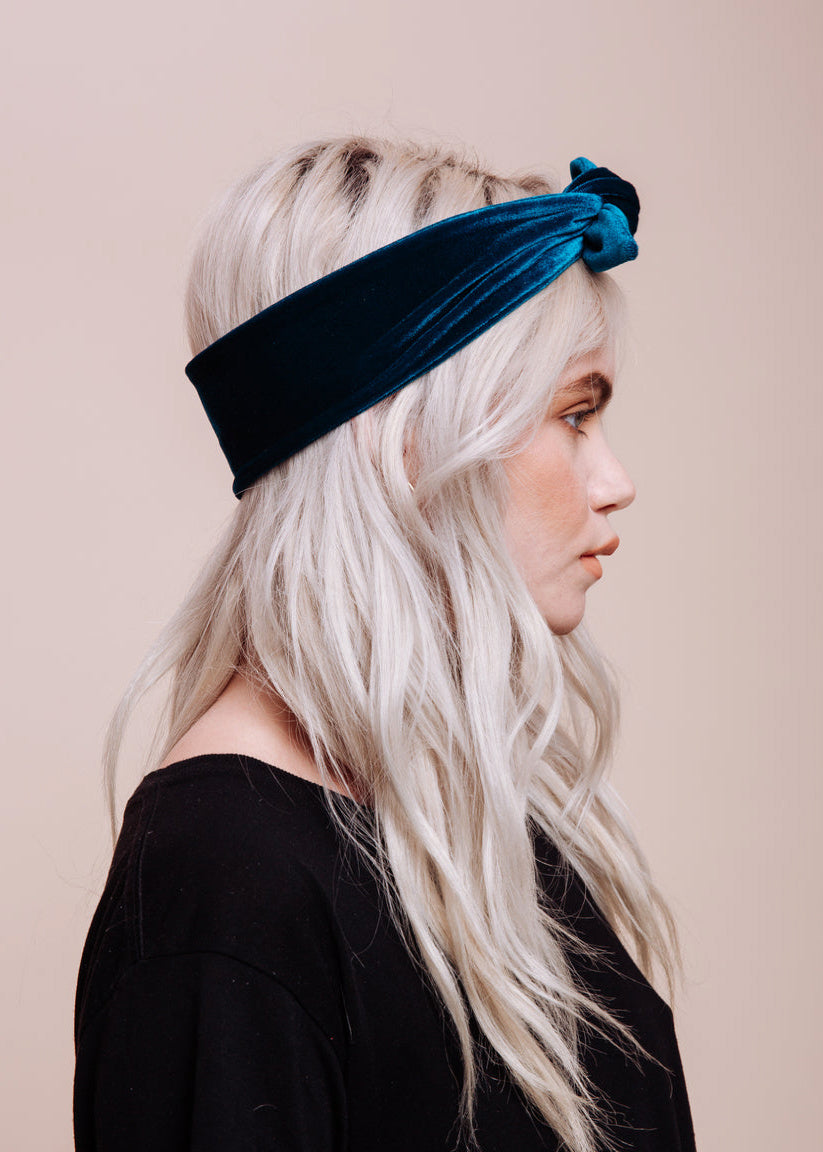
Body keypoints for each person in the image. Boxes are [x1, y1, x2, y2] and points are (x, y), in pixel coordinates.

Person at [73, 135, 697, 1152]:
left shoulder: (465, 816)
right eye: (573, 414)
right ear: (408, 439)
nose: (614, 479)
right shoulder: (224, 883)